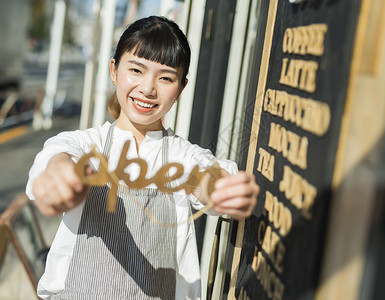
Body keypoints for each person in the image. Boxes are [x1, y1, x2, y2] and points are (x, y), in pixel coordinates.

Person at [26, 16, 259, 299]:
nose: (148, 89)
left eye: (165, 77)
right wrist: (59, 179)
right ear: (114, 70)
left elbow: (207, 177)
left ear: (181, 88)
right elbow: (55, 161)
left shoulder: (181, 156)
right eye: (136, 70)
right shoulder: (84, 143)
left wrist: (222, 189)